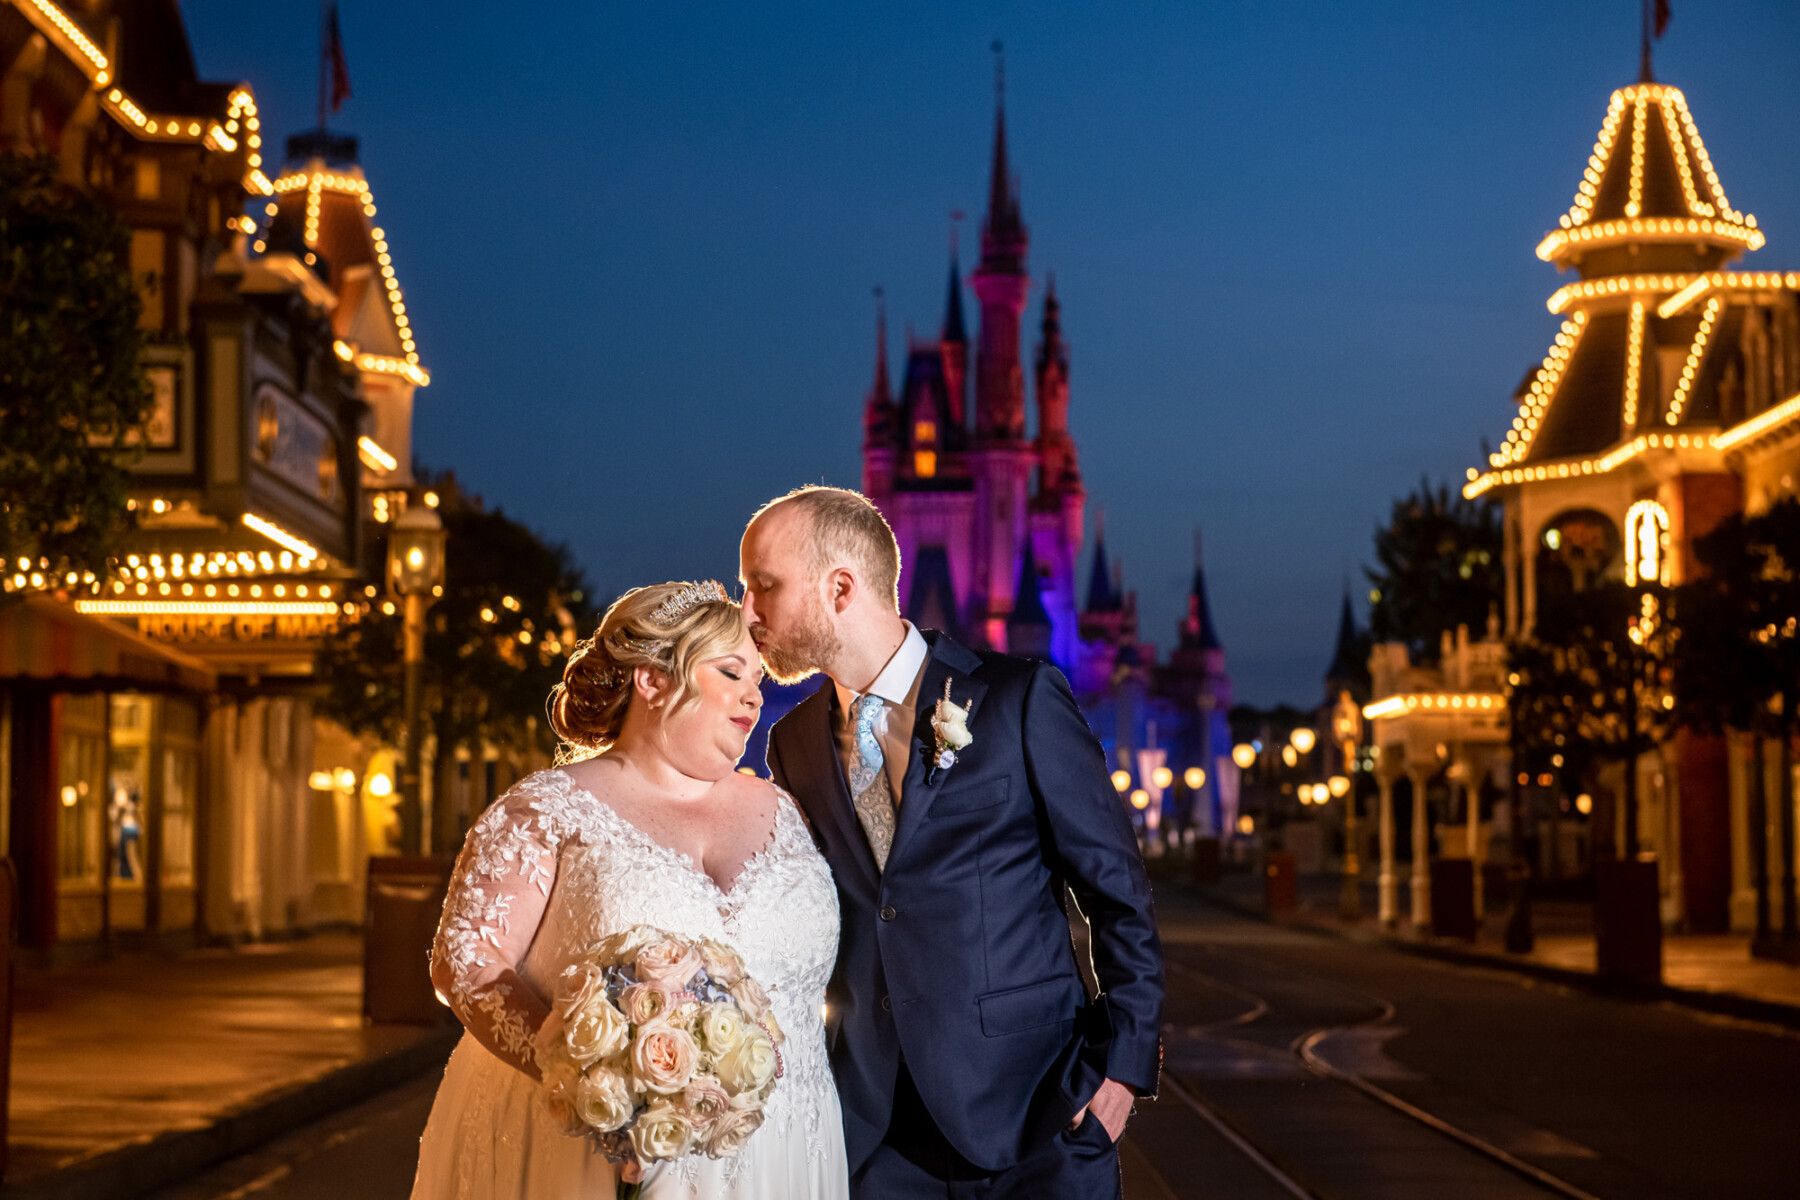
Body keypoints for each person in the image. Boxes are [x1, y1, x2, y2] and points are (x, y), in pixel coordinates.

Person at [741, 487, 1164, 1198]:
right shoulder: (792, 744)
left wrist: (1119, 1070)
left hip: (1037, 1118)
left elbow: (1118, 893)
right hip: (874, 1138)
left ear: (839, 587)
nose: (747, 612)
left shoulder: (1018, 698)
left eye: (764, 587)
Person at [410, 581, 850, 1199]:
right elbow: (467, 967)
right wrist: (600, 1091)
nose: (755, 695)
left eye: (757, 677)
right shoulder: (546, 810)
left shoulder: (790, 811)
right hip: (587, 1158)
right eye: (730, 671)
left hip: (786, 1152)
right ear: (652, 681)